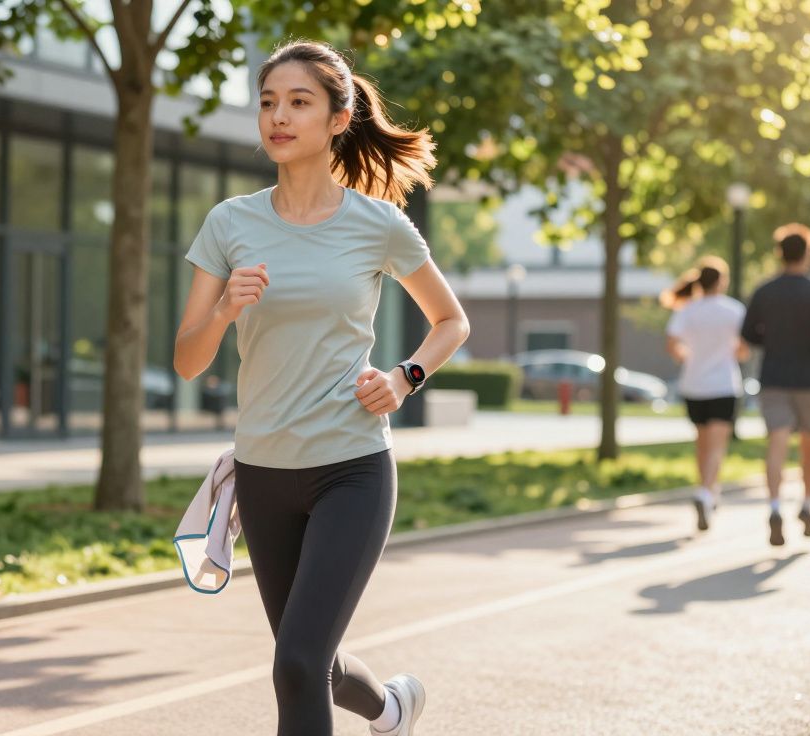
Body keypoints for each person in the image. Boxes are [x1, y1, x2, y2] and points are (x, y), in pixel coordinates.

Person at [173, 40, 469, 736]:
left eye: (298, 102)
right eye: (268, 102)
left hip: (351, 467)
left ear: (338, 119)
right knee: (309, 662)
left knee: (298, 664)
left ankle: (386, 709)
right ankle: (392, 709)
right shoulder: (230, 223)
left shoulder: (378, 224)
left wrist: (404, 378)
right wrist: (224, 311)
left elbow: (451, 321)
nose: (278, 116)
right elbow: (187, 361)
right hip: (263, 472)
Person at [740, 223, 810, 546]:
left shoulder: (764, 290)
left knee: (777, 442)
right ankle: (807, 504)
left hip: (773, 376)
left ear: (779, 253)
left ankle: (774, 507)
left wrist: (771, 340)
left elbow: (748, 333)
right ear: (807, 253)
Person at [661, 256, 748, 532]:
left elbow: (671, 343)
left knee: (702, 443)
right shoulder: (733, 310)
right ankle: (706, 492)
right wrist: (732, 354)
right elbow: (744, 348)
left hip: (694, 385)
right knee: (717, 446)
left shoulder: (688, 310)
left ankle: (707, 490)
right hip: (723, 385)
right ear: (722, 282)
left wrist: (686, 357)